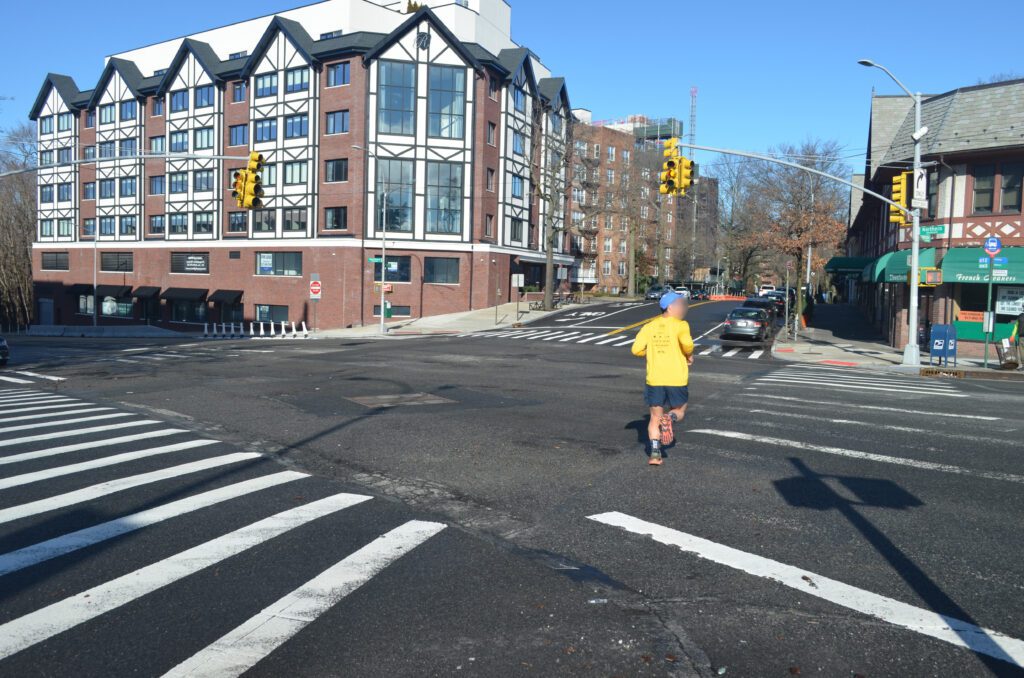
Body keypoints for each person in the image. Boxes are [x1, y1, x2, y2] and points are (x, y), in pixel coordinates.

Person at [630, 291, 695, 466]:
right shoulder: (681, 325)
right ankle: (671, 418)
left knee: (654, 419)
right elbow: (688, 344)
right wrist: (688, 355)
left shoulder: (649, 326)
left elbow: (636, 349)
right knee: (679, 410)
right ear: (671, 307)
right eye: (680, 304)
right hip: (676, 378)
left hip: (655, 379)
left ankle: (655, 455)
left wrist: (650, 353)